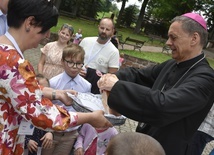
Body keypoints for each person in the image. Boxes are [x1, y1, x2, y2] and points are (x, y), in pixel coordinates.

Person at [0, 0, 111, 154]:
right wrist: (90, 117)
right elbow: (42, 114)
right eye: (46, 29)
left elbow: (15, 88)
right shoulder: (13, 62)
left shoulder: (4, 52)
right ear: (30, 22)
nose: (46, 35)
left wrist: (56, 93)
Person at [97, 12, 214, 155]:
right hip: (146, 142)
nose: (168, 42)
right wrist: (112, 76)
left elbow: (163, 106)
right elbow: (139, 75)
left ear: (194, 38)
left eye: (173, 37)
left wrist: (116, 86)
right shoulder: (172, 64)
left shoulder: (206, 78)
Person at [42, 44, 91, 155]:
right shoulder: (54, 82)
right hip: (52, 132)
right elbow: (47, 107)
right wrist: (48, 131)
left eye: (78, 64)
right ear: (62, 62)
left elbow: (84, 110)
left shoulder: (86, 86)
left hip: (71, 134)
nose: (74, 67)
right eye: (70, 62)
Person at [79, 17, 119, 94]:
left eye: (107, 29)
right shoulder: (86, 41)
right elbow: (73, 58)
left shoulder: (114, 52)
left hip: (94, 90)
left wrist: (92, 74)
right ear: (98, 27)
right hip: (76, 80)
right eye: (102, 28)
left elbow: (111, 77)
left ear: (112, 31)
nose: (104, 31)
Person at [24, 74, 52, 155]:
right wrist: (26, 141)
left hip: (38, 148)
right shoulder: (22, 107)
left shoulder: (48, 109)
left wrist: (49, 133)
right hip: (21, 147)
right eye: (39, 88)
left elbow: (50, 125)